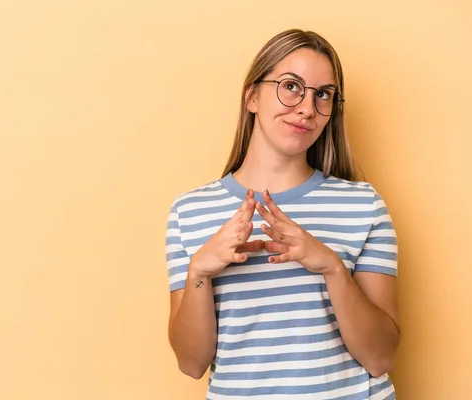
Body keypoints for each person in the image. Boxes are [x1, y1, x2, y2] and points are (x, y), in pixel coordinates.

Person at [164, 28, 400, 399]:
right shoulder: (190, 211)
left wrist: (331, 267)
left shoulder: (363, 205)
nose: (307, 108)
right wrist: (199, 271)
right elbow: (192, 364)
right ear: (252, 96)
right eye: (291, 86)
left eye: (322, 95)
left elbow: (380, 356)